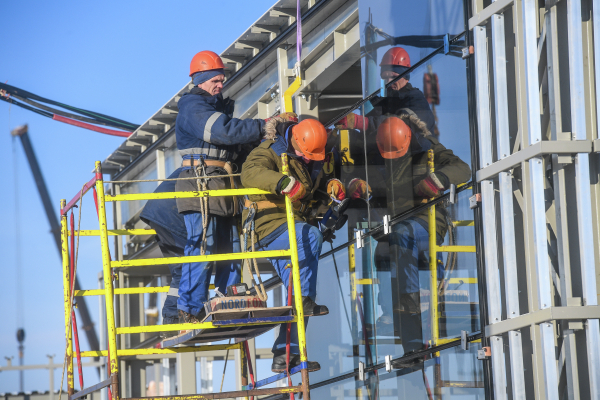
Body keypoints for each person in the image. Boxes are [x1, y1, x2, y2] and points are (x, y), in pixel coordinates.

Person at [241, 117, 347, 373]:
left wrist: (335, 192)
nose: (309, 159)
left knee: (299, 288)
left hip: (293, 223)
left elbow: (312, 194)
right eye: (305, 153)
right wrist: (283, 182)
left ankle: (284, 353)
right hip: (266, 223)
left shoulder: (311, 157)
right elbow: (250, 173)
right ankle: (294, 331)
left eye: (314, 155)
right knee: (309, 248)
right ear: (294, 141)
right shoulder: (268, 151)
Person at [174, 50, 268, 325]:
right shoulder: (193, 106)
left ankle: (228, 297)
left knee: (231, 247)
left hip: (221, 183)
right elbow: (224, 132)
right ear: (200, 80)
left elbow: (233, 143)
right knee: (202, 245)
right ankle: (189, 309)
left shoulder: (212, 108)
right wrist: (263, 126)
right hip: (200, 184)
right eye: (215, 79)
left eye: (221, 79)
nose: (220, 85)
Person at [370, 113, 470, 366]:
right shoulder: (383, 158)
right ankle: (408, 341)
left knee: (402, 237)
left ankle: (408, 301)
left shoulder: (429, 150)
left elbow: (463, 169)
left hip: (428, 222)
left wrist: (438, 180)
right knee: (383, 250)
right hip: (400, 226)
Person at [335, 46, 436, 134]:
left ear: (405, 77)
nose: (389, 81)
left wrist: (361, 122)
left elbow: (402, 123)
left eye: (393, 77)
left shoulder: (416, 99)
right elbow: (368, 139)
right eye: (385, 78)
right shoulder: (382, 104)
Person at [139, 168, 187, 337]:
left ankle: (171, 319)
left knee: (180, 270)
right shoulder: (215, 164)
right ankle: (178, 315)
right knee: (192, 265)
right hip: (170, 215)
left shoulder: (192, 162)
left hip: (158, 213)